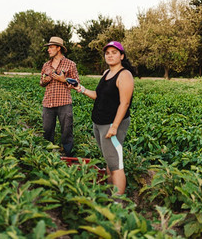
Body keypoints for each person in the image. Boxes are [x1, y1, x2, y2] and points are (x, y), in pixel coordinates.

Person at [74, 41, 135, 195]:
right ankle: (110, 192)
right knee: (109, 159)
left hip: (112, 124)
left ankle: (118, 201)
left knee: (116, 164)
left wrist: (114, 126)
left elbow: (125, 103)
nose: (110, 55)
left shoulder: (124, 75)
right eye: (107, 53)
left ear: (121, 56)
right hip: (99, 122)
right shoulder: (106, 73)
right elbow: (98, 96)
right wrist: (80, 88)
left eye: (114, 52)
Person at [40, 36, 80, 157]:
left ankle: (67, 155)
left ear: (58, 48)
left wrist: (64, 79)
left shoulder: (70, 64)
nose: (48, 50)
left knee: (67, 130)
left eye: (51, 47)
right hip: (48, 102)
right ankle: (47, 155)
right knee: (46, 130)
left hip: (64, 102)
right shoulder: (46, 65)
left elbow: (76, 82)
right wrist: (45, 80)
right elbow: (41, 82)